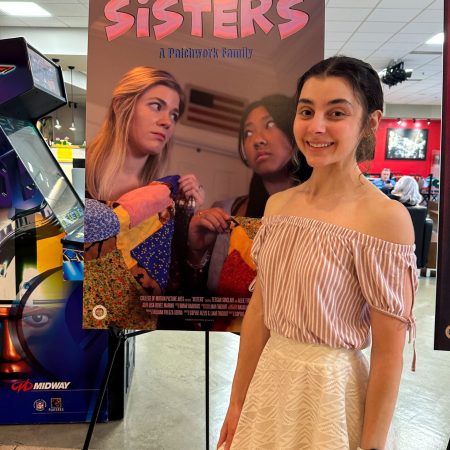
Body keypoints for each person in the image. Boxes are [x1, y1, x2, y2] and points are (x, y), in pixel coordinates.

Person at [217, 56, 417, 450]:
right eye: (306, 111)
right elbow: (259, 313)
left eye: (336, 112)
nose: (317, 126)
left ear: (370, 123)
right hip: (270, 386)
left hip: (332, 397)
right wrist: (236, 402)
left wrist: (372, 446)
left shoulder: (385, 218)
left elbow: (388, 355)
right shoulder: (279, 206)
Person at [83, 67, 205, 329]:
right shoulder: (76, 177)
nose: (167, 121)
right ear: (122, 106)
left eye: (173, 114)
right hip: (77, 333)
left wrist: (193, 236)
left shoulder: (169, 202)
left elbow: (180, 294)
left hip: (141, 342)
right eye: (156, 106)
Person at [187, 95, 311, 296]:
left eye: (270, 124)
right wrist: (197, 251)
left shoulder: (324, 212)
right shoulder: (226, 213)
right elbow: (202, 295)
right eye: (248, 132)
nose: (257, 140)